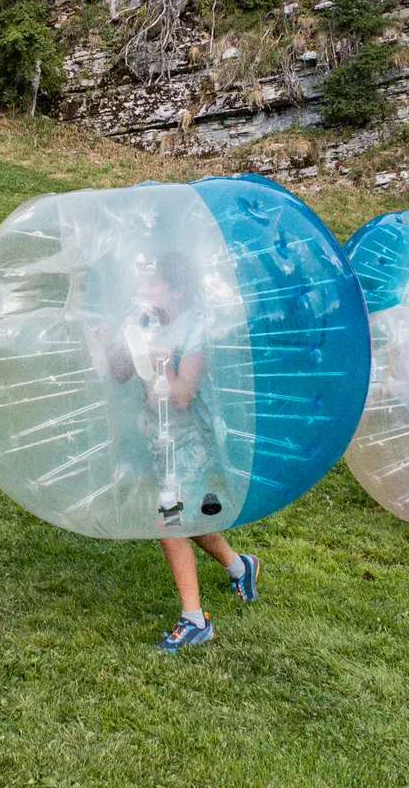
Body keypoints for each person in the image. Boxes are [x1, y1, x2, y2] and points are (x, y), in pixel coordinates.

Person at [102, 252, 259, 652]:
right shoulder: (143, 320)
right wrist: (116, 345)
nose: (143, 289)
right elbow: (122, 375)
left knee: (168, 522)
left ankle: (195, 620)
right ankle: (241, 566)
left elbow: (183, 396)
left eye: (153, 282)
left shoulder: (194, 329)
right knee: (186, 518)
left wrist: (160, 361)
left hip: (192, 440)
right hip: (159, 438)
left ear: (176, 289)